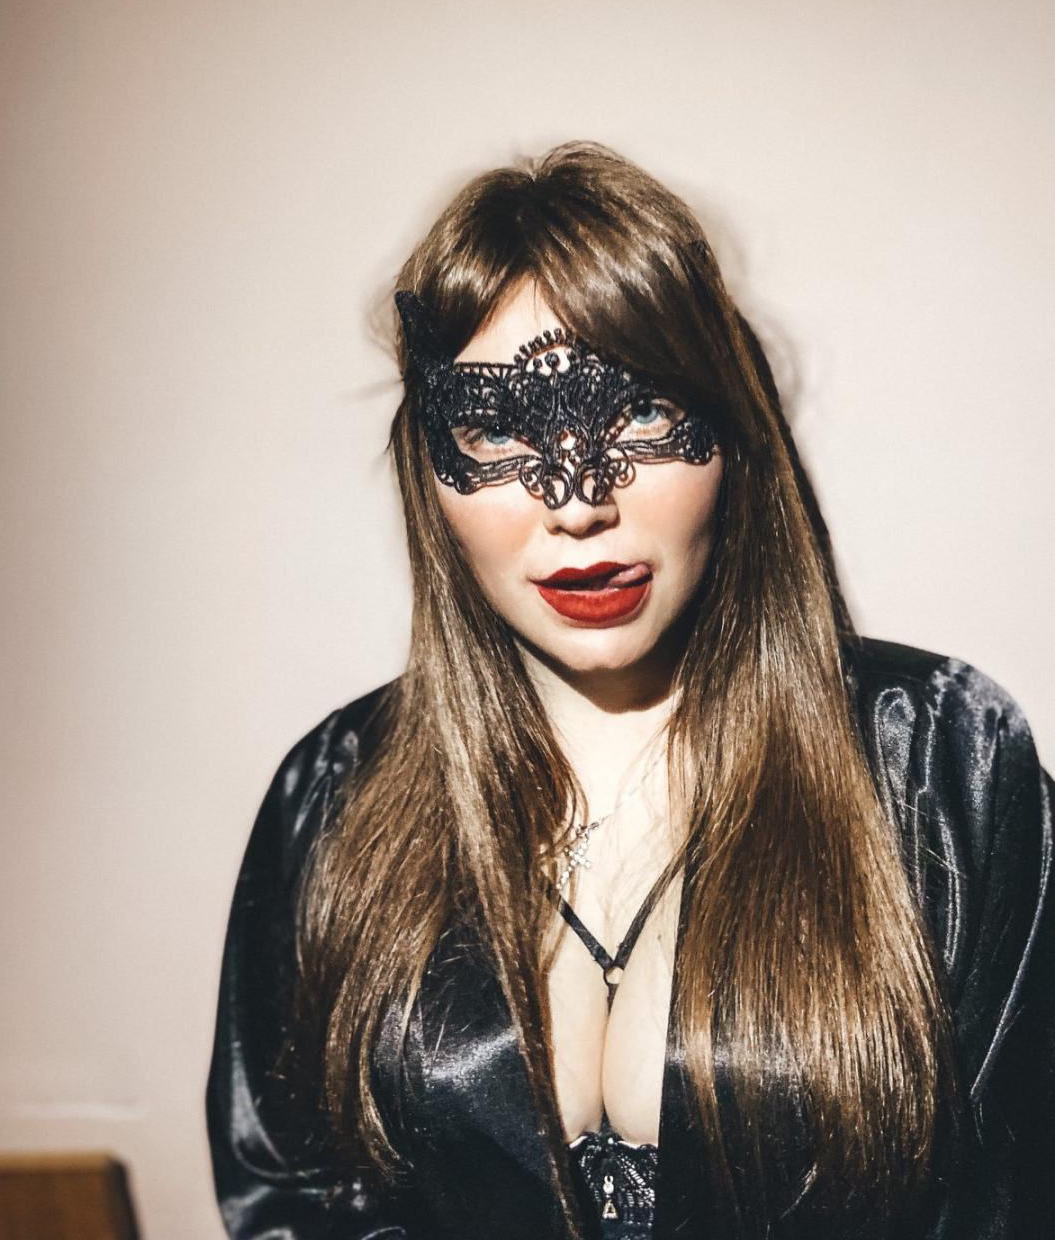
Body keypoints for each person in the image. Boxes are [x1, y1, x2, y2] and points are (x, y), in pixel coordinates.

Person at [205, 142, 1055, 1240]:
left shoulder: (941, 760)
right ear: (429, 467)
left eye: (640, 412)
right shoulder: (335, 793)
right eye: (497, 430)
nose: (576, 505)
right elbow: (290, 1197)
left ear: (733, 430)